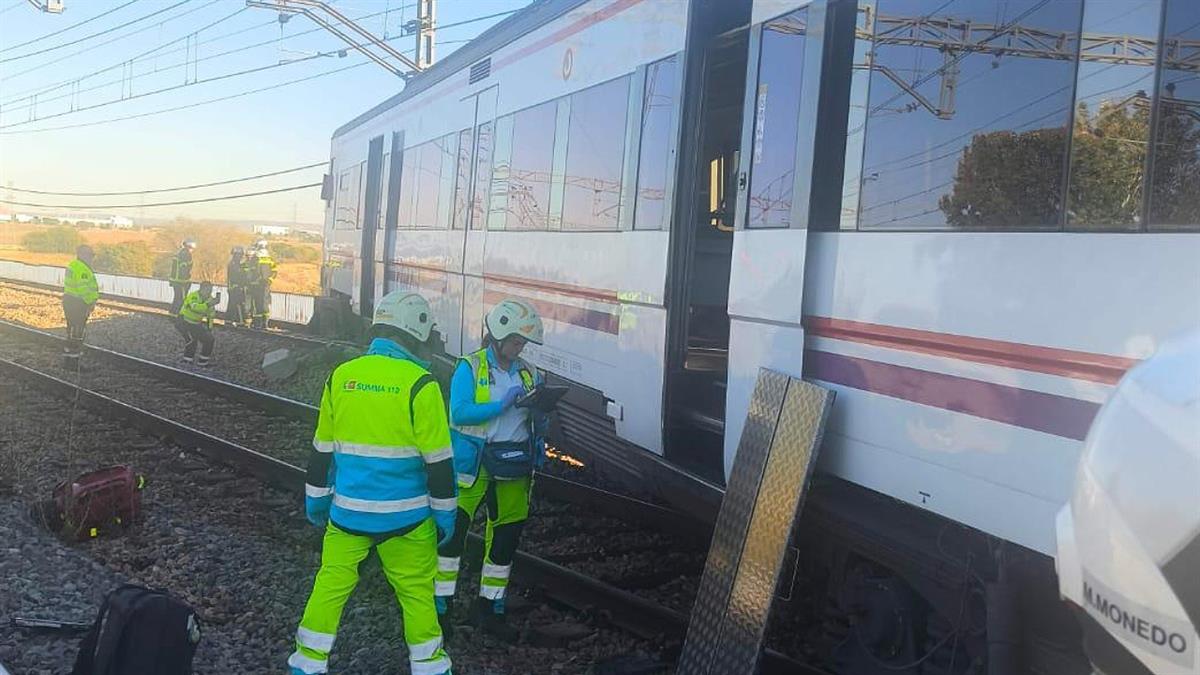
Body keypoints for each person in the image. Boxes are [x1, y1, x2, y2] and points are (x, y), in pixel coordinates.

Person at [288, 290, 456, 675]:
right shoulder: (421, 383)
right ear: (416, 334)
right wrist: (445, 515)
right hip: (408, 519)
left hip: (348, 512)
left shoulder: (342, 376)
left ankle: (306, 664)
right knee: (416, 595)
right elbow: (440, 465)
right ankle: (430, 667)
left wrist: (316, 501)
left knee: (330, 585)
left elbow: (321, 453)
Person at [436, 299, 547, 642]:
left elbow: (536, 422)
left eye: (523, 343)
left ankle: (490, 609)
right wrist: (500, 404)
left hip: (514, 466)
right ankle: (440, 610)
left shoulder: (530, 373)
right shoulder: (468, 368)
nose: (520, 348)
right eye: (516, 341)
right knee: (452, 540)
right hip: (473, 467)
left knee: (504, 543)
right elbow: (459, 413)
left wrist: (541, 412)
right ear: (497, 336)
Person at [61, 244, 99, 369]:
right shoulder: (82, 269)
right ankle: (73, 363)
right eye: (90, 255)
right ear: (83, 255)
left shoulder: (73, 265)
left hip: (70, 301)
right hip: (78, 303)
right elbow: (83, 290)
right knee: (77, 333)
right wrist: (90, 302)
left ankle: (68, 360)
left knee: (72, 331)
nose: (91, 258)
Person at [177, 281, 218, 366]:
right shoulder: (193, 296)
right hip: (184, 321)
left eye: (210, 290)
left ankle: (203, 363)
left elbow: (211, 315)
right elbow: (194, 307)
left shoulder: (210, 299)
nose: (209, 292)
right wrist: (208, 304)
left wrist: (209, 328)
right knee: (192, 340)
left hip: (196, 324)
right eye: (208, 290)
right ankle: (187, 361)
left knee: (209, 339)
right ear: (201, 289)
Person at [248, 240, 277, 329]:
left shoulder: (255, 258)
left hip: (257, 285)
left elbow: (251, 272)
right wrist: (270, 280)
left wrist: (251, 282)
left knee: (257, 304)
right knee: (264, 304)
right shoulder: (270, 259)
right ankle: (264, 323)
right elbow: (275, 271)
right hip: (265, 285)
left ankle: (258, 323)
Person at [168, 239, 196, 315]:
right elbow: (184, 268)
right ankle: (178, 315)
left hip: (175, 280)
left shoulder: (179, 252)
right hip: (181, 281)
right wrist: (186, 280)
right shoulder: (186, 254)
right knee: (181, 299)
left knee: (177, 298)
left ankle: (172, 314)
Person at [223, 246, 248, 327]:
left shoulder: (234, 263)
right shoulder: (234, 264)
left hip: (234, 287)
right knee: (235, 304)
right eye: (240, 255)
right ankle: (236, 320)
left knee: (233, 304)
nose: (241, 257)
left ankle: (230, 320)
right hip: (235, 287)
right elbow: (236, 276)